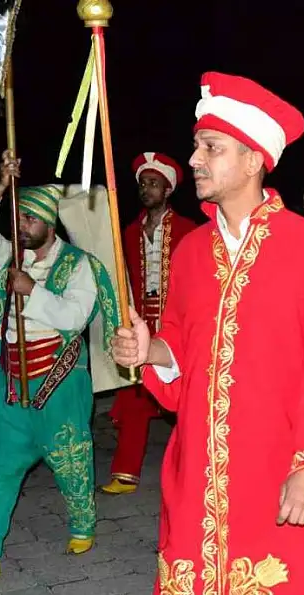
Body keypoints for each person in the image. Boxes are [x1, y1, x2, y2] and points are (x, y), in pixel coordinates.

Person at [109, 72, 304, 595]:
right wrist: (149, 349)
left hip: (280, 468)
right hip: (198, 470)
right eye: (197, 146)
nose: (195, 160)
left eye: (210, 147)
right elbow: (183, 349)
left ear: (254, 159)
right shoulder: (190, 250)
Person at [0, 152, 120, 583]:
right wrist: (1, 187)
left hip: (59, 386)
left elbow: (73, 317)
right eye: (17, 217)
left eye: (28, 219)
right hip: (9, 386)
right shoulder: (7, 255)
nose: (20, 225)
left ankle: (83, 525)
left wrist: (30, 290)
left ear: (48, 223)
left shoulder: (77, 264)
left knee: (71, 463)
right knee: (0, 471)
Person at [102, 152, 197, 496]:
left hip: (176, 325)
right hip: (141, 322)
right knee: (134, 394)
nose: (146, 188)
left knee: (188, 397)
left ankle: (192, 468)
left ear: (168, 190)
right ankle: (126, 471)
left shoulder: (189, 231)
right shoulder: (126, 233)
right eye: (143, 183)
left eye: (154, 183)